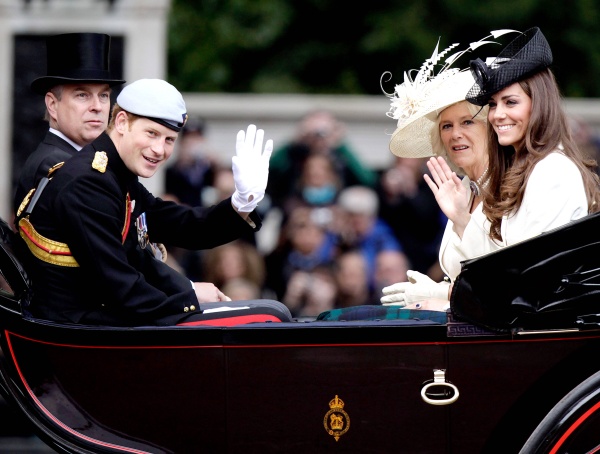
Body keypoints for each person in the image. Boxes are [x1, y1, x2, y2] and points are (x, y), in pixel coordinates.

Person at [15, 78, 291, 326]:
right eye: (151, 134)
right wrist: (191, 300)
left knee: (266, 314)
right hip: (81, 334)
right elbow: (121, 287)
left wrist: (241, 203)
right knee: (262, 318)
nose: (160, 150)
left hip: (101, 323)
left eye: (169, 139)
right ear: (121, 122)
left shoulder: (112, 173)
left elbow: (179, 225)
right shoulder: (88, 182)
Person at [387, 27, 600, 311]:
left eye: (510, 103)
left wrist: (444, 298)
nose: (498, 115)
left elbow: (523, 291)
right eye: (492, 105)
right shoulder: (501, 178)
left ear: (539, 105)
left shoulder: (552, 171)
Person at [14, 32, 125, 217]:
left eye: (104, 96)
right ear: (52, 105)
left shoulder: (84, 160)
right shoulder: (58, 166)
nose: (97, 107)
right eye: (82, 95)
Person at [266, 109, 378, 209]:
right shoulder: (295, 156)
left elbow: (367, 180)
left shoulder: (340, 157)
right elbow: (269, 170)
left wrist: (340, 144)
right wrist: (295, 141)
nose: (319, 137)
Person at [163, 116, 219, 207]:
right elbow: (168, 197)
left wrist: (215, 164)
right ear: (182, 142)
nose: (193, 142)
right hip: (184, 215)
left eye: (196, 137)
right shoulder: (173, 169)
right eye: (189, 138)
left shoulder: (209, 167)